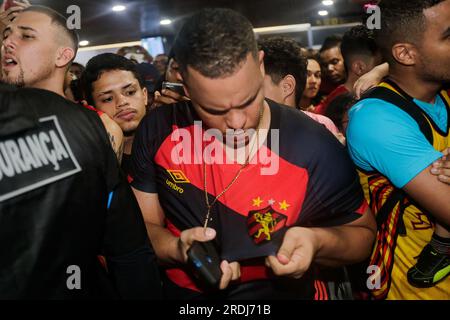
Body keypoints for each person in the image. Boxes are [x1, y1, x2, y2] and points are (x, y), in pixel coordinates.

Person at [130, 8, 376, 299]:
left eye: (247, 100)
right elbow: (140, 226)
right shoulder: (160, 129)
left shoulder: (313, 144)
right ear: (184, 83)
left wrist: (317, 241)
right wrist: (177, 248)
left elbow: (363, 234)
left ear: (260, 66)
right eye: (213, 109)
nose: (236, 122)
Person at [347, 0, 450, 299]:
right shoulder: (376, 119)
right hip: (412, 292)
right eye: (448, 36)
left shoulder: (441, 93)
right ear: (405, 53)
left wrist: (380, 67)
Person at [1, 5, 124, 160]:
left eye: (26, 36)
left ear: (62, 57)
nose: (7, 43)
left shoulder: (100, 127)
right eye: (6, 35)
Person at [258, 36, 345, 144]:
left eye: (258, 87)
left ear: (287, 86)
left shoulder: (322, 126)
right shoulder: (249, 132)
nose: (250, 95)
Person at [81, 53, 148, 174]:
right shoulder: (87, 159)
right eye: (108, 99)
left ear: (145, 95)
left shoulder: (173, 138)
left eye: (130, 92)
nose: (122, 102)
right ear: (91, 108)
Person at [315, 25, 381, 115]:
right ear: (359, 67)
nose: (329, 69)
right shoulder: (334, 103)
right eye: (377, 65)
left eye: (334, 62)